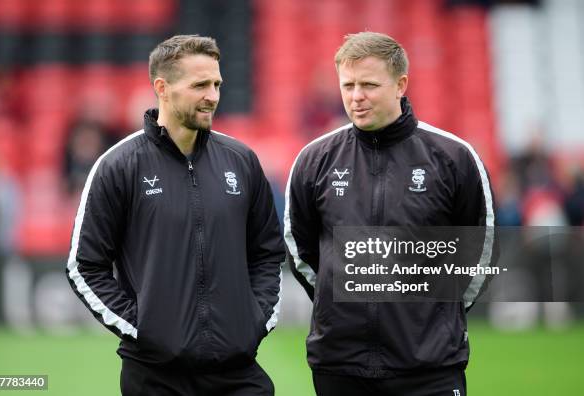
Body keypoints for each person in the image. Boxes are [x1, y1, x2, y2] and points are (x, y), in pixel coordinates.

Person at [66, 35, 284, 395]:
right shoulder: (118, 166)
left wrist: (254, 321)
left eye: (216, 84)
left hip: (237, 372)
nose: (212, 95)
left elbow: (268, 254)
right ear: (162, 88)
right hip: (154, 377)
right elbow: (84, 265)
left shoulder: (241, 161)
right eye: (200, 85)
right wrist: (144, 330)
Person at [284, 32, 497, 396]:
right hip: (340, 365)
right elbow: (301, 252)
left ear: (401, 85)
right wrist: (338, 300)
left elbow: (480, 252)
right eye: (347, 85)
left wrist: (434, 313)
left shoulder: (453, 158)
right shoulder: (314, 160)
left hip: (428, 367)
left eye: (368, 84)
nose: (356, 96)